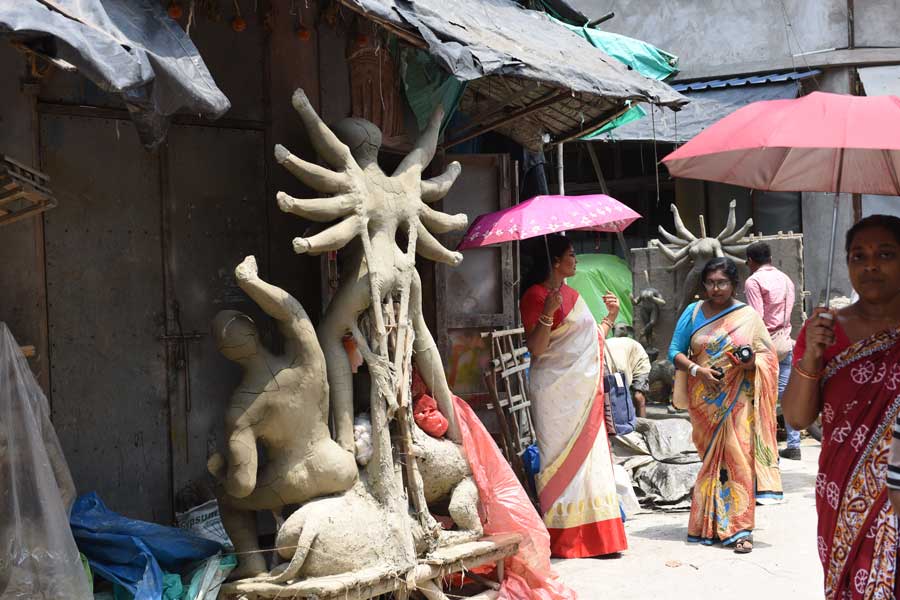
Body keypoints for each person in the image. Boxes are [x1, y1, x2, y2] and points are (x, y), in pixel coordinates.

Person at [782, 214, 900, 600]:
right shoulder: (824, 330)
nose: (869, 265)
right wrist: (812, 356)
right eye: (857, 256)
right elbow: (797, 418)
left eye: (885, 254)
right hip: (844, 488)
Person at [520, 234, 627, 558]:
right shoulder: (535, 296)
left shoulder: (575, 295)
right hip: (555, 394)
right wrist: (547, 312)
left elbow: (590, 341)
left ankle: (600, 539)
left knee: (590, 462)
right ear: (555, 261)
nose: (576, 258)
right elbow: (537, 349)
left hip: (582, 394)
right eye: (570, 254)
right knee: (559, 462)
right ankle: (565, 538)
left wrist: (610, 316)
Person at [668, 257, 782, 554]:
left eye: (722, 283)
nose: (716, 288)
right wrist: (698, 371)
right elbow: (675, 352)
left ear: (734, 284)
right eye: (710, 283)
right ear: (703, 284)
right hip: (703, 402)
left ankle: (740, 529)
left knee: (738, 458)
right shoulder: (692, 313)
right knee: (710, 462)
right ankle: (709, 525)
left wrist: (750, 362)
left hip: (739, 399)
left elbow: (768, 356)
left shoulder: (748, 316)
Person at [744, 241, 800, 460]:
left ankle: (768, 449)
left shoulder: (754, 281)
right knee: (786, 396)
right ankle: (794, 445)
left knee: (762, 397)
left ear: (750, 261)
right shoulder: (786, 279)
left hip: (766, 345)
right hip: (786, 342)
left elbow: (756, 317)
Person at [604, 335, 651, 418]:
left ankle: (644, 426)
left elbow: (623, 388)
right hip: (619, 352)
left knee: (638, 397)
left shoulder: (618, 365)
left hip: (638, 357)